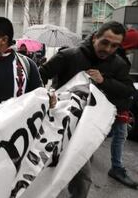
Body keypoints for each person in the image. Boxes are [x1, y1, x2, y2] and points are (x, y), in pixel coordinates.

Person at [39, 21, 137, 196]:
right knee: (43, 171)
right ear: (95, 37)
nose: (108, 49)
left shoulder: (119, 65)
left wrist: (104, 81)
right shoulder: (68, 56)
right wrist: (47, 94)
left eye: (114, 45)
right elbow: (38, 76)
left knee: (82, 178)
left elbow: (127, 91)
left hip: (86, 131)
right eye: (105, 42)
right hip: (56, 126)